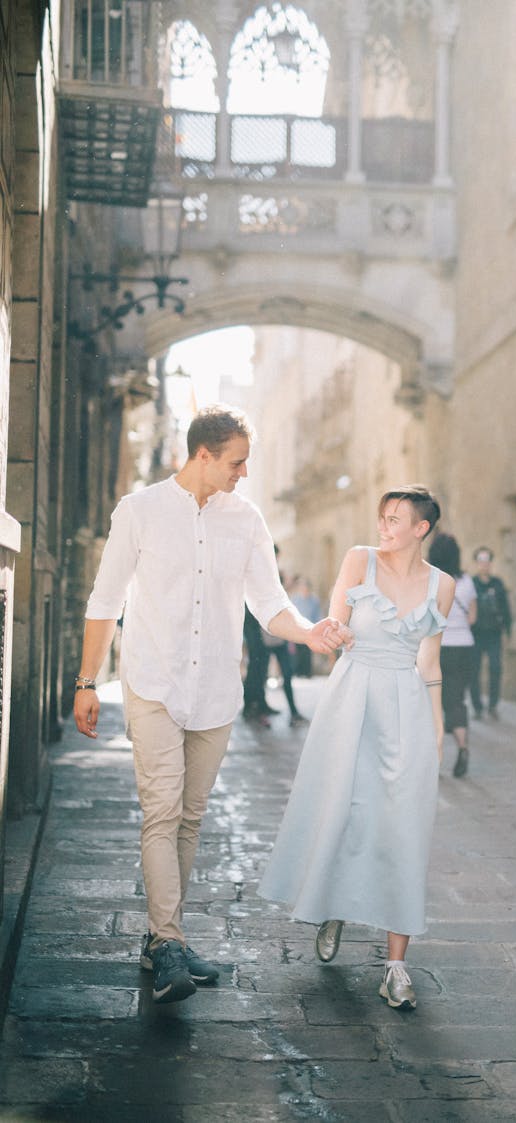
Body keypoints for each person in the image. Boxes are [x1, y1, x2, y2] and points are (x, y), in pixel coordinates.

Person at [73, 405, 348, 1005]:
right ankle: (170, 940)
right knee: (161, 813)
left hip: (216, 692)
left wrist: (310, 632)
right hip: (154, 684)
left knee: (190, 819)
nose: (245, 473)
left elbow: (269, 604)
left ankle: (158, 940)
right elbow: (106, 598)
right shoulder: (139, 512)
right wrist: (86, 681)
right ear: (203, 454)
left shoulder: (245, 520)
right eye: (237, 461)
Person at [259, 485, 454, 1010]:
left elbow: (429, 663)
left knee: (404, 825)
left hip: (406, 706)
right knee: (343, 810)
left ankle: (396, 967)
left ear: (421, 528)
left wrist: (436, 728)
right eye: (381, 518)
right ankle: (333, 907)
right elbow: (334, 621)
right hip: (350, 701)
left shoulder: (442, 585)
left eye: (396, 520)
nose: (384, 527)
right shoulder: (359, 561)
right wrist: (333, 631)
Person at [427, 532, 476, 779]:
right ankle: (463, 748)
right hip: (465, 647)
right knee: (456, 700)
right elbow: (472, 618)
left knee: (433, 702)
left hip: (438, 648)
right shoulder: (467, 581)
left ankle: (435, 760)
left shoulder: (429, 581)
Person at [469, 546, 512, 720]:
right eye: (481, 561)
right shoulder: (471, 584)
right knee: (474, 671)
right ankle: (477, 707)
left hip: (494, 634)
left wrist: (508, 631)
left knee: (495, 668)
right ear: (477, 563)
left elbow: (505, 608)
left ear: (490, 563)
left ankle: (493, 705)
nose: (484, 565)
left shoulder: (498, 584)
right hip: (476, 635)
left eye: (487, 561)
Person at [290, 577, 321, 677]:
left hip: (311, 628)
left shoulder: (314, 600)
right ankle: (298, 672)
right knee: (298, 651)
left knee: (307, 651)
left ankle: (307, 672)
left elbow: (317, 615)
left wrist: (318, 626)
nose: (304, 590)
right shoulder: (295, 600)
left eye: (306, 588)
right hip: (298, 629)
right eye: (302, 588)